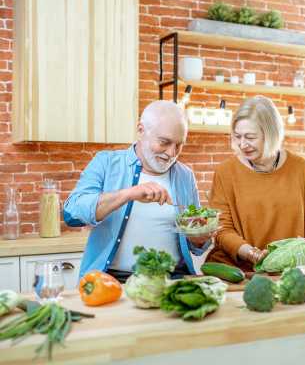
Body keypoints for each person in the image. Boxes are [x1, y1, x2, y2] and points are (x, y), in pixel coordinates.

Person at [64, 101, 211, 282]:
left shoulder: (185, 176)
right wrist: (128, 194)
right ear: (141, 130)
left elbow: (196, 246)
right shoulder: (106, 163)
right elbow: (71, 214)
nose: (172, 153)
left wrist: (199, 238)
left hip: (174, 279)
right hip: (113, 281)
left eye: (179, 145)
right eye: (164, 142)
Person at [207, 96, 305, 271]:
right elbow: (222, 230)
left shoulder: (302, 169)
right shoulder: (225, 172)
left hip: (290, 272)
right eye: (237, 136)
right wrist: (254, 255)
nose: (242, 144)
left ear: (271, 134)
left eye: (250, 137)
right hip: (238, 271)